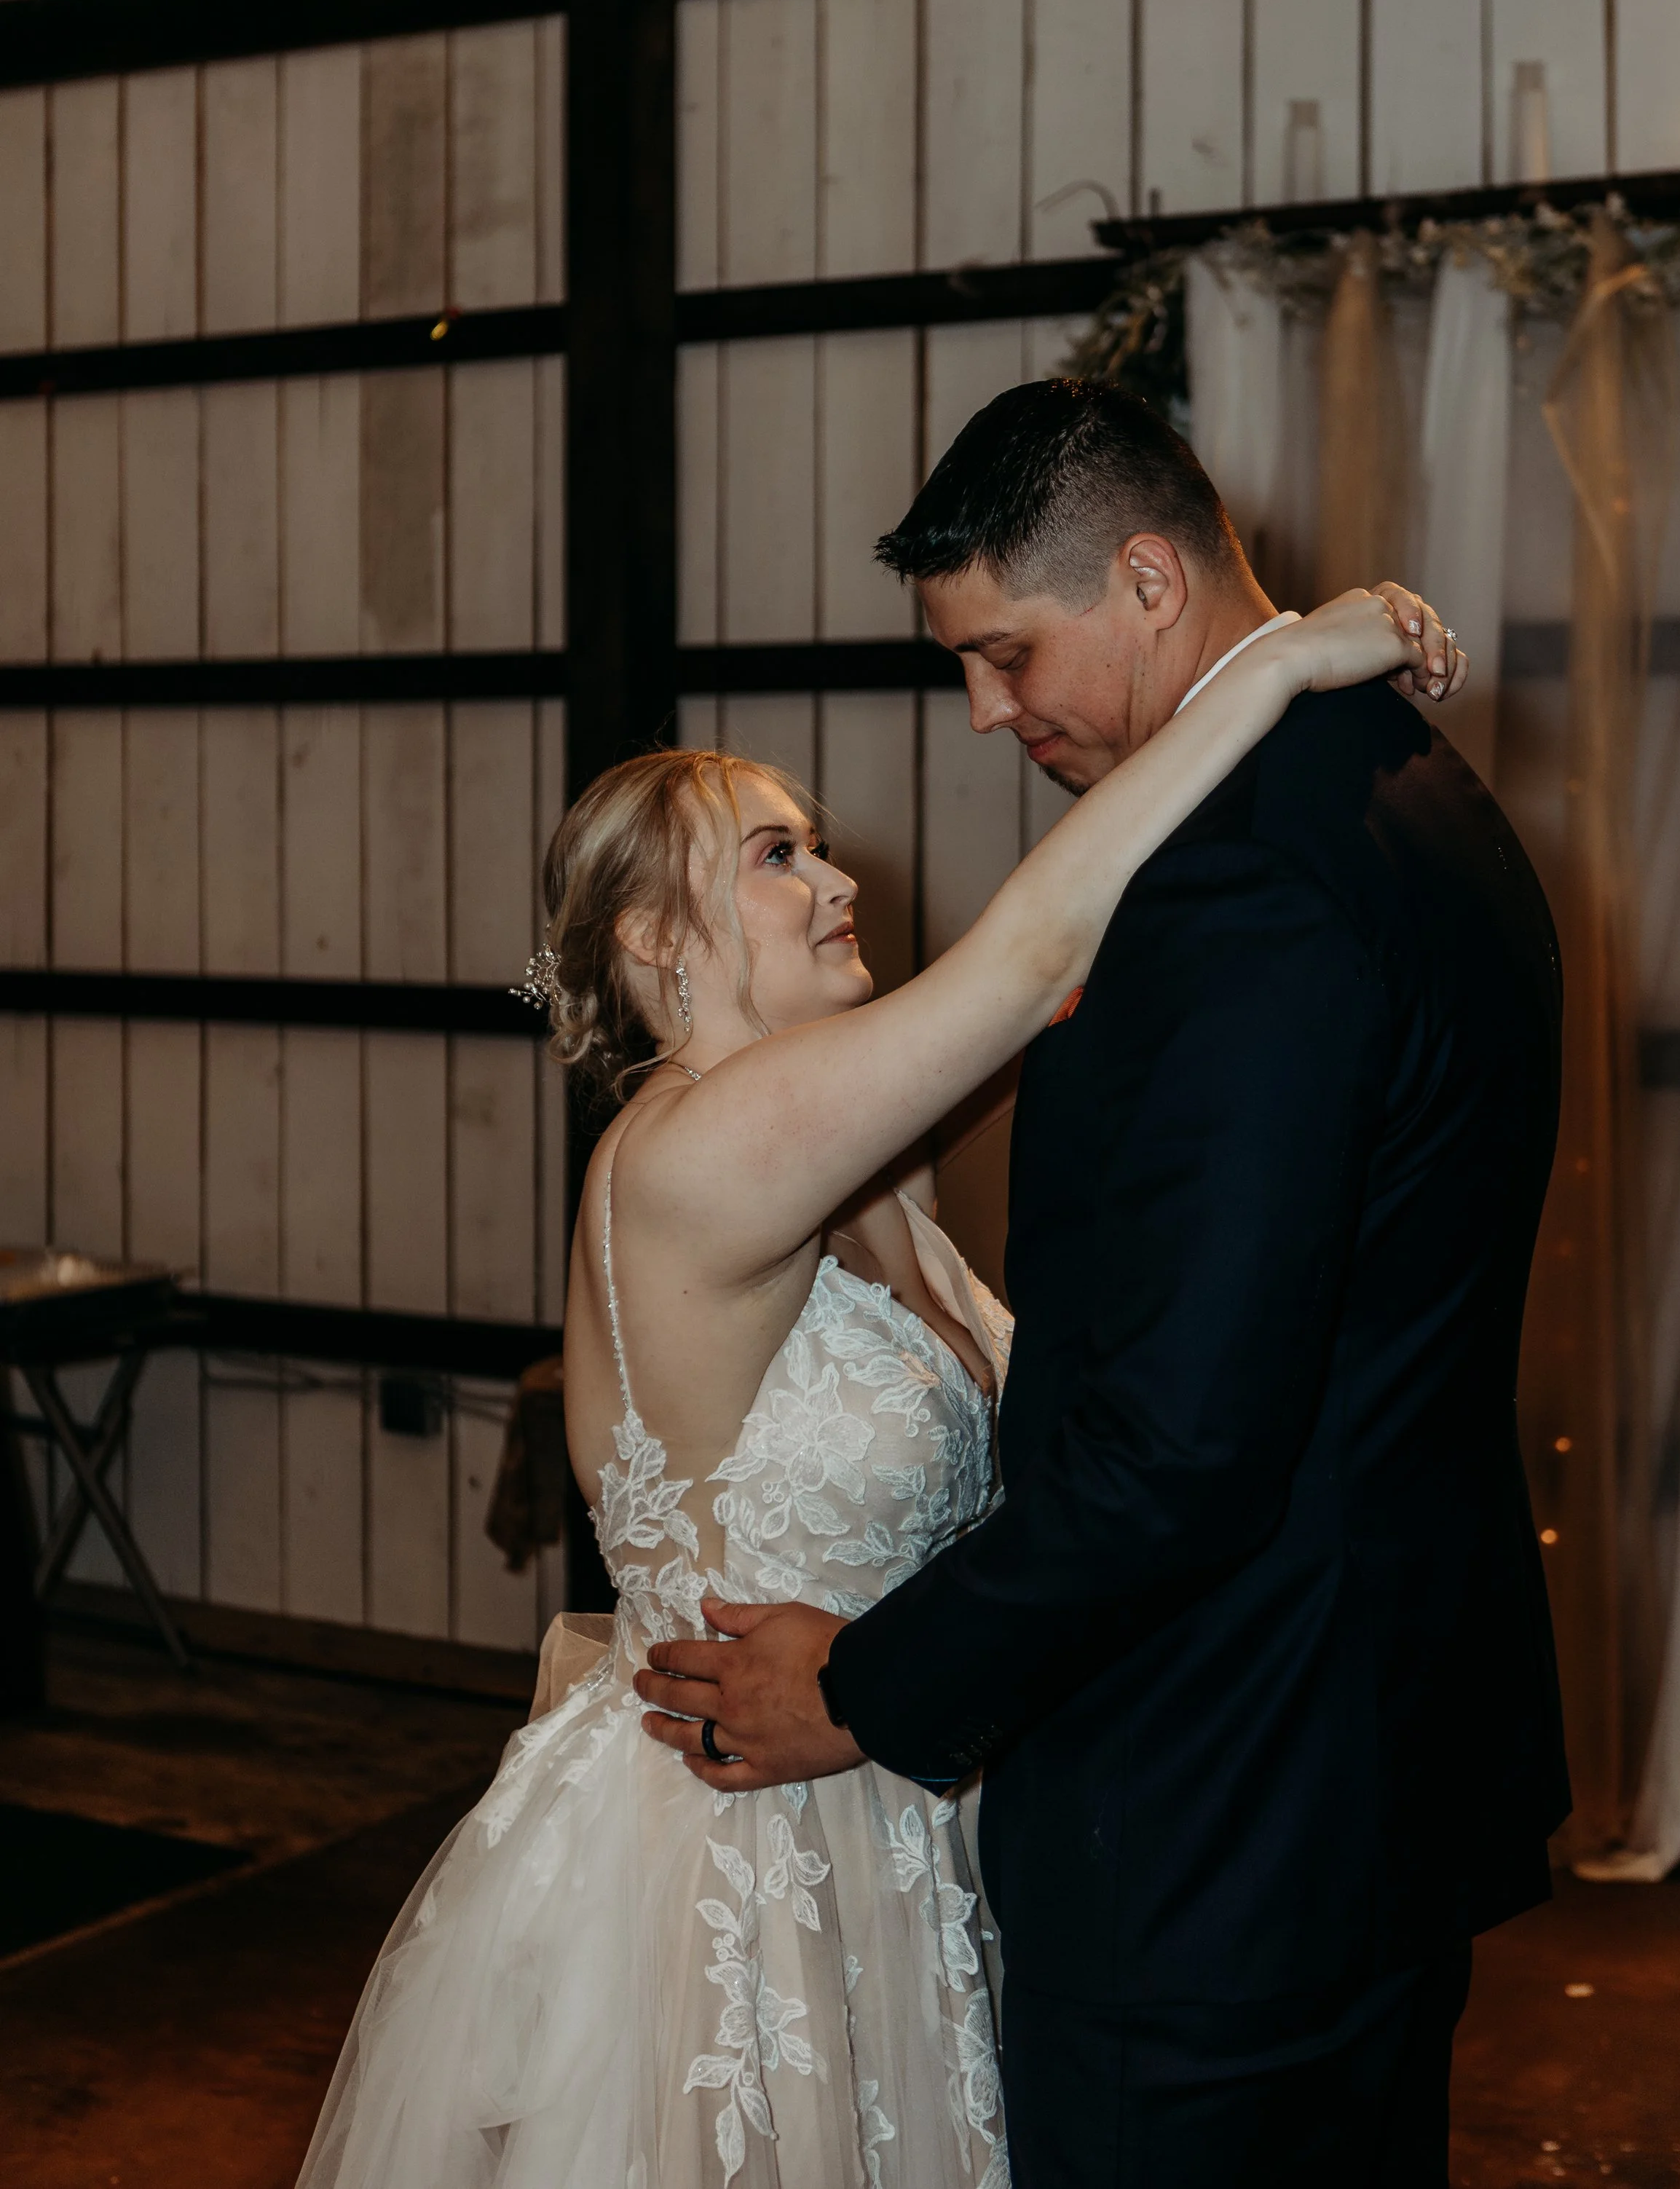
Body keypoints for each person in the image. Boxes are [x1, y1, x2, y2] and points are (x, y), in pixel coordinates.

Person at [295, 507, 1455, 2188]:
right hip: (730, 1875)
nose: (837, 875)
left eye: (812, 843)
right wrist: (1270, 664)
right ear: (650, 941)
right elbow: (1039, 944)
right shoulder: (690, 1150)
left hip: (887, 1822)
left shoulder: (858, 1160)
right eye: (773, 856)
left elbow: (1080, 1015)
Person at [636, 381, 1570, 2189]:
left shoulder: (1239, 893)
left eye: (1002, 654)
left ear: (1148, 582)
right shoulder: (1408, 799)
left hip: (1214, 1808)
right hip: (1365, 1769)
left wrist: (868, 1689)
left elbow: (1176, 1447)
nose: (986, 714)